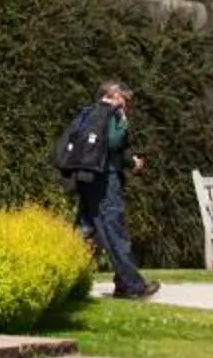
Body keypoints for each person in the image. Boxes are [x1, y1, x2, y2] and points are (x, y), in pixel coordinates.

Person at [59, 80, 159, 299]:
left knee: (85, 231)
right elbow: (113, 144)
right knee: (115, 231)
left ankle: (60, 279)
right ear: (113, 95)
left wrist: (130, 162)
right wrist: (123, 124)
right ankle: (134, 286)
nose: (126, 104)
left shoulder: (88, 114)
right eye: (124, 99)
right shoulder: (112, 114)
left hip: (86, 178)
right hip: (106, 182)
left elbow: (105, 151)